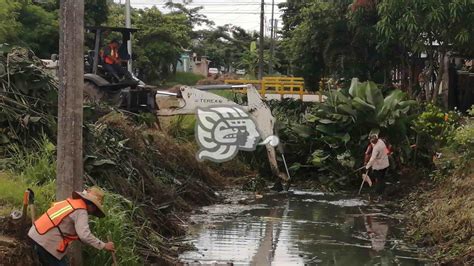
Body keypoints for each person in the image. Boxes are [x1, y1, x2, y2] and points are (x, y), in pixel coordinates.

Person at [28, 187, 115, 266]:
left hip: (35, 235)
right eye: (95, 209)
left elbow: (72, 230)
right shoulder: (81, 211)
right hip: (46, 244)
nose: (92, 213)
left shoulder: (71, 203)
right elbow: (84, 235)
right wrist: (104, 245)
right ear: (92, 205)